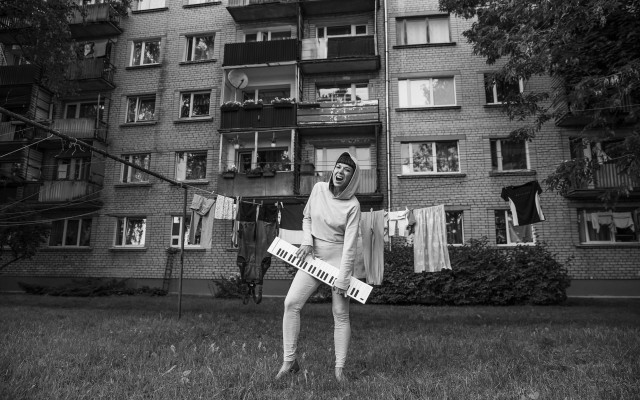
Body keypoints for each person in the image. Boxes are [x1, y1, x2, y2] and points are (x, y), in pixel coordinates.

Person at [275, 152, 361, 383]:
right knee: (291, 303)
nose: (340, 172)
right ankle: (289, 362)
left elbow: (350, 246)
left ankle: (339, 370)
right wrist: (307, 241)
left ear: (352, 177)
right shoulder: (318, 189)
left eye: (347, 170)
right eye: (338, 166)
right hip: (313, 256)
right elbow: (307, 218)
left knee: (340, 314)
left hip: (339, 261)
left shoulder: (353, 205)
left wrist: (343, 278)